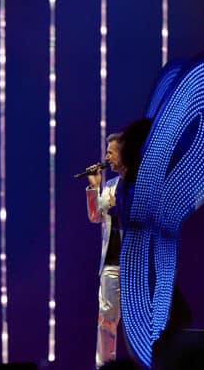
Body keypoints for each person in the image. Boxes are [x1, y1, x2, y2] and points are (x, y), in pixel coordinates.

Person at [85, 132, 125, 368]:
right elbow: (94, 216)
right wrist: (94, 188)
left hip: (135, 263)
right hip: (111, 264)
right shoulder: (110, 186)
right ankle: (104, 367)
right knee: (106, 321)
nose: (106, 157)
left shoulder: (138, 182)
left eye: (111, 151)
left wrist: (115, 206)